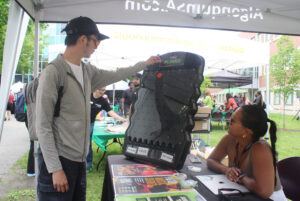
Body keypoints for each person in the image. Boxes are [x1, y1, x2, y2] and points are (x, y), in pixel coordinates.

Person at [35, 16, 161, 200]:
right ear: (83, 39)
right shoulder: (53, 73)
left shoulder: (87, 71)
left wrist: (144, 64)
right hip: (59, 162)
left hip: (78, 161)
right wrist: (55, 169)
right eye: (96, 40)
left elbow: (116, 73)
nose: (97, 46)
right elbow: (43, 125)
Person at [207, 105, 287, 200]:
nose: (229, 122)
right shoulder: (229, 139)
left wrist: (240, 177)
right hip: (244, 193)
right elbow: (211, 160)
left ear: (247, 131)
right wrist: (226, 170)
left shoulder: (260, 149)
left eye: (233, 121)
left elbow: (264, 191)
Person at [86, 87, 127, 171]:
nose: (102, 92)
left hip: (91, 123)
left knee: (87, 143)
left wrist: (121, 118)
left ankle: (88, 165)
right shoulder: (87, 96)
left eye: (104, 90)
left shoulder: (103, 101)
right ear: (95, 88)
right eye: (100, 89)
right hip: (79, 122)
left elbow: (110, 111)